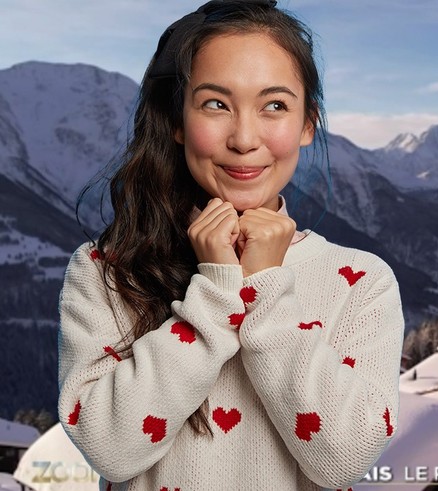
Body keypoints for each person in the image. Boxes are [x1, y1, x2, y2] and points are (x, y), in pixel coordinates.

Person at [56, 1, 404, 490]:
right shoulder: (106, 268)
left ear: (308, 124)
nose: (244, 138)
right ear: (178, 121)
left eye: (275, 106)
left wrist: (264, 287)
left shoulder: (363, 282)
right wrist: (217, 293)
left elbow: (344, 460)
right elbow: (110, 450)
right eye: (215, 104)